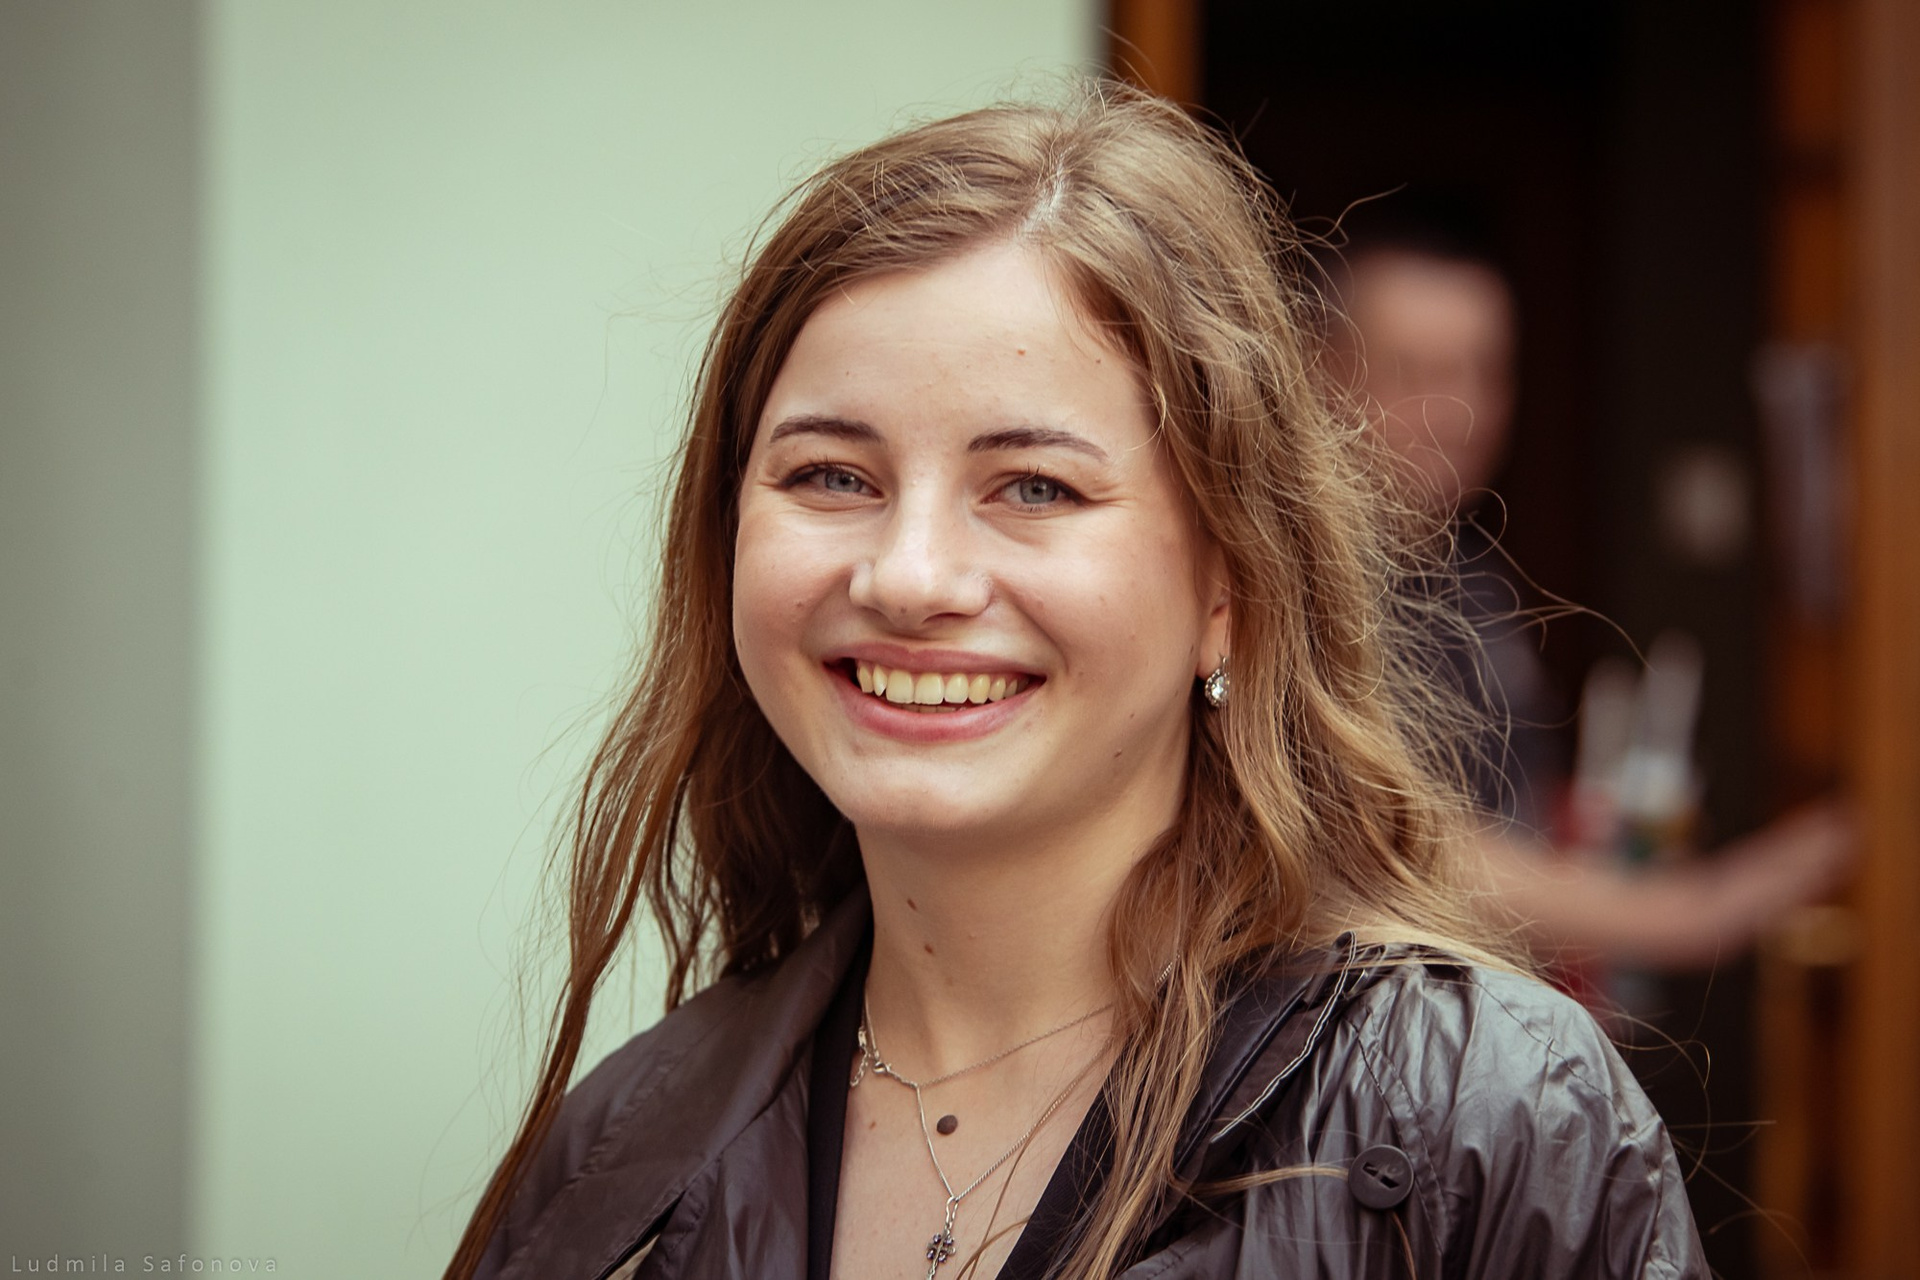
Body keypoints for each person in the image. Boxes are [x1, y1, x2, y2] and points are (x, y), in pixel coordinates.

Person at [449, 85, 1704, 1280]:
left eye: (1035, 485)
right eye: (832, 474)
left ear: (1229, 585)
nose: (910, 575)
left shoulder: (1495, 1124)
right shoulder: (619, 1149)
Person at [1333, 226, 1853, 971]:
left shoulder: (1474, 576)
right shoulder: (1306, 587)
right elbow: (1393, 844)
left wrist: (1585, 846)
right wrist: (1690, 910)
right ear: (1322, 376)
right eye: (1412, 373)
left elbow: (1502, 808)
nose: (1458, 410)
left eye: (1484, 372)